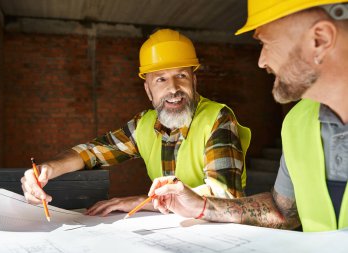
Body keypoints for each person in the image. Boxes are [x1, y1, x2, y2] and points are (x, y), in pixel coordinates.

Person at [148, 1, 348, 232]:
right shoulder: (298, 122)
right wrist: (201, 206)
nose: (262, 61)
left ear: (320, 39)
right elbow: (283, 211)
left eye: (266, 43)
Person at [21, 29, 251, 216]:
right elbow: (92, 153)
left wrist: (143, 201)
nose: (173, 89)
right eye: (161, 79)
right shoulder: (144, 124)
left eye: (181, 75)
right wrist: (47, 169)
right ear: (148, 90)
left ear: (194, 81)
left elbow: (226, 198)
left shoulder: (217, 118)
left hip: (216, 232)